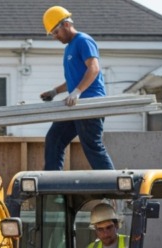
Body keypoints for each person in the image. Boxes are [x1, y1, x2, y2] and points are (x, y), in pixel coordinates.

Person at [39, 6, 114, 171]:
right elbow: (73, 81)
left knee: (92, 147)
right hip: (75, 105)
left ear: (66, 25)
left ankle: (117, 191)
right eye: (52, 34)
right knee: (54, 139)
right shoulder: (69, 48)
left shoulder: (83, 40)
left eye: (56, 32)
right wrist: (55, 92)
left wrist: (78, 92)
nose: (55, 37)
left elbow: (93, 68)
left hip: (89, 105)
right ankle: (54, 189)